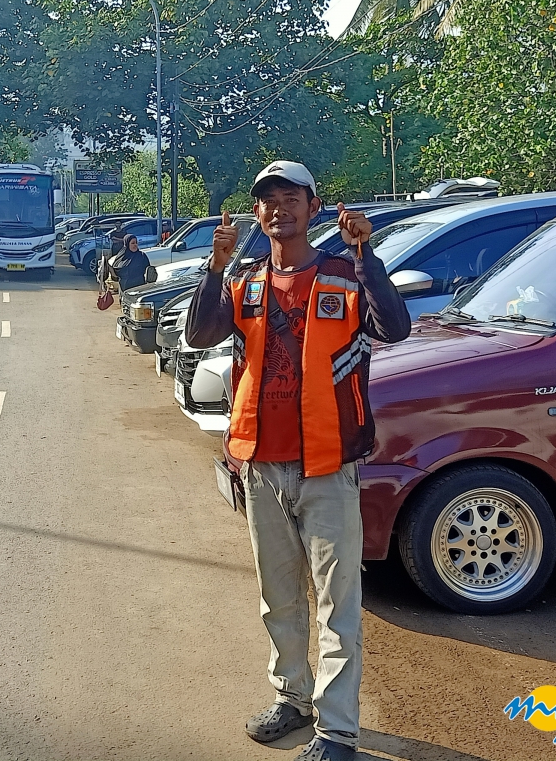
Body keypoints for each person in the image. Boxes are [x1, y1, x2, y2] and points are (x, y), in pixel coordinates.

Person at [185, 161, 411, 761]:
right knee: (278, 595)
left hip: (329, 466)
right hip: (262, 465)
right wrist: (215, 266)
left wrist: (367, 257)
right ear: (257, 214)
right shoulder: (248, 281)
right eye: (268, 201)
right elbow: (201, 335)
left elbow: (396, 329)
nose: (279, 209)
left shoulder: (343, 275)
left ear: (314, 209)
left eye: (291, 199)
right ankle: (292, 697)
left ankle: (337, 730)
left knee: (338, 602)